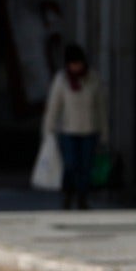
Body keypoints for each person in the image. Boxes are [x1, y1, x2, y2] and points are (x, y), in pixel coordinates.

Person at [42, 43, 106, 210]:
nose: (76, 67)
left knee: (85, 167)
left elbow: (101, 107)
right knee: (70, 165)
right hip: (68, 132)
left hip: (89, 131)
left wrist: (105, 132)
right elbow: (54, 106)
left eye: (78, 63)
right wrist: (48, 130)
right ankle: (68, 195)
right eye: (73, 63)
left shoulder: (93, 79)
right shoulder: (61, 80)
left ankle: (82, 199)